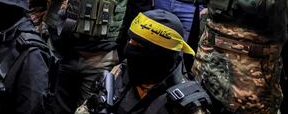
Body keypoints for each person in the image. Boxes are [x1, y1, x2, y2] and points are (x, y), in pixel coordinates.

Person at [75, 9, 211, 114]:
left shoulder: (189, 106)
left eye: (139, 46)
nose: (129, 49)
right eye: (130, 40)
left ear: (162, 56)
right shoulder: (120, 72)